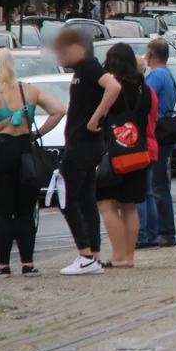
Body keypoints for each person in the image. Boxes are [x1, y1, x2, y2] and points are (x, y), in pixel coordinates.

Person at [53, 27, 121, 276]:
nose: (58, 57)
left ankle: (85, 255)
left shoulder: (89, 67)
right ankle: (94, 255)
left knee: (66, 197)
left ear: (74, 47)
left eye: (61, 51)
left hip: (83, 143)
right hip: (83, 142)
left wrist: (96, 117)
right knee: (86, 199)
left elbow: (113, 87)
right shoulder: (80, 71)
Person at [0, 48, 65, 276]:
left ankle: (3, 265)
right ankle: (27, 263)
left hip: (1, 152)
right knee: (26, 211)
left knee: (3, 212)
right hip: (27, 151)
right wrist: (38, 133)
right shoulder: (29, 91)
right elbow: (58, 110)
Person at [96, 43, 153, 269]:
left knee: (106, 203)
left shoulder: (111, 86)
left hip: (114, 151)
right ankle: (129, 256)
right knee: (130, 205)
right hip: (137, 151)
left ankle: (117, 255)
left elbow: (101, 116)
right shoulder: (143, 88)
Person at [137, 39, 176, 249]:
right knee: (160, 185)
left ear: (150, 55)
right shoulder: (168, 73)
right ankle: (164, 231)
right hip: (164, 132)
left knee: (156, 187)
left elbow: (144, 100)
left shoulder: (156, 75)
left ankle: (164, 232)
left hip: (156, 133)